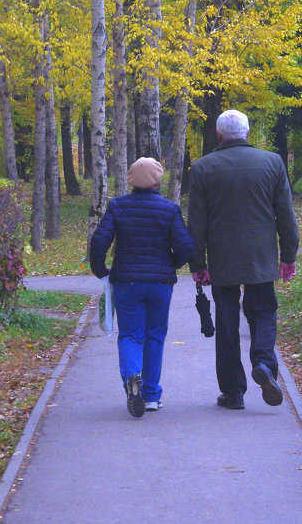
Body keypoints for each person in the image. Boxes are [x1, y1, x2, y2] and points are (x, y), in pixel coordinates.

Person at [188, 109, 299, 411]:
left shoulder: (202, 168)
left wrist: (198, 264)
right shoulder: (272, 163)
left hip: (222, 258)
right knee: (263, 312)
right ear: (247, 133)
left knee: (227, 323)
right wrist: (288, 255)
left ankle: (233, 392)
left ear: (220, 134)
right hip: (261, 256)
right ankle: (263, 362)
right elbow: (286, 216)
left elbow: (196, 223)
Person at [90, 157, 195, 418]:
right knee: (155, 335)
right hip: (160, 284)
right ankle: (150, 395)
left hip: (127, 281)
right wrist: (171, 264)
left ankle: (131, 377)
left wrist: (100, 270)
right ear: (158, 181)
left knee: (129, 335)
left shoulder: (118, 206)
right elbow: (185, 246)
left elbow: (99, 241)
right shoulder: (169, 209)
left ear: (130, 181)